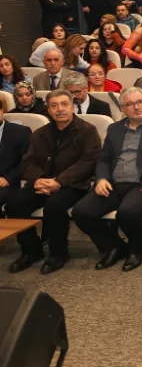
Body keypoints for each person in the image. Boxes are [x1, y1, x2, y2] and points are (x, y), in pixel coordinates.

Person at [72, 87, 142, 271]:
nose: (136, 107)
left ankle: (136, 251)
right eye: (130, 104)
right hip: (114, 184)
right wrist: (101, 178)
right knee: (81, 212)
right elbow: (104, 159)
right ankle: (115, 246)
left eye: (140, 102)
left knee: (127, 213)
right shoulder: (114, 129)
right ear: (123, 109)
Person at [6, 91, 101, 274]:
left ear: (72, 107)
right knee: (15, 204)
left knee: (54, 206)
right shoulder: (41, 133)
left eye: (64, 104)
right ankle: (31, 251)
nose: (60, 109)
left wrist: (59, 181)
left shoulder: (87, 131)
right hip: (43, 182)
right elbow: (27, 162)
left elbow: (88, 162)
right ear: (48, 110)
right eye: (54, 106)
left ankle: (59, 253)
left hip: (73, 184)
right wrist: (39, 179)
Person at [0, 97, 32, 216]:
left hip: (9, 182)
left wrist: (8, 178)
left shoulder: (20, 132)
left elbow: (27, 161)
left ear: (2, 111)